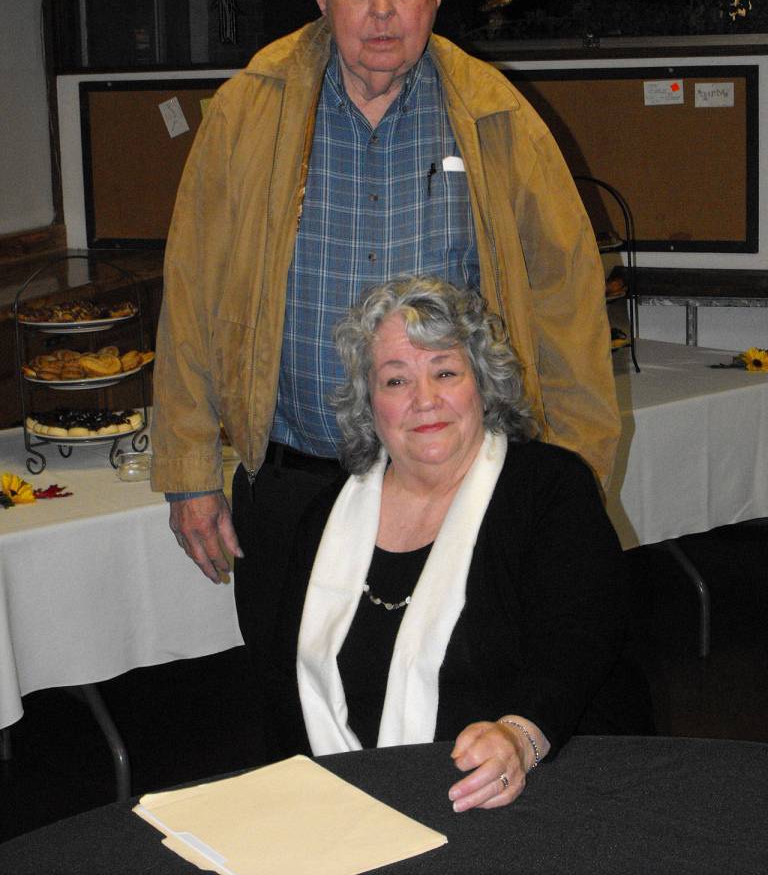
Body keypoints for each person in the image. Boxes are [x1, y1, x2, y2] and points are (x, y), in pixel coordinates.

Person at [150, 0, 620, 602]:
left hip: (458, 496)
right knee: (291, 676)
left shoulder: (497, 117)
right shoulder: (249, 111)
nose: (381, 9)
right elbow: (191, 293)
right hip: (293, 487)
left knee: (458, 677)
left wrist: (570, 484)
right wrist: (188, 472)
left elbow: (567, 308)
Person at [251, 276, 652, 810]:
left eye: (445, 372)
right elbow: (285, 686)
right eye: (396, 380)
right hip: (349, 807)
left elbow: (580, 643)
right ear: (369, 403)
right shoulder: (324, 519)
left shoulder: (548, 488)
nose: (425, 400)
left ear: (482, 384)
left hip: (542, 789)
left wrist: (519, 737)